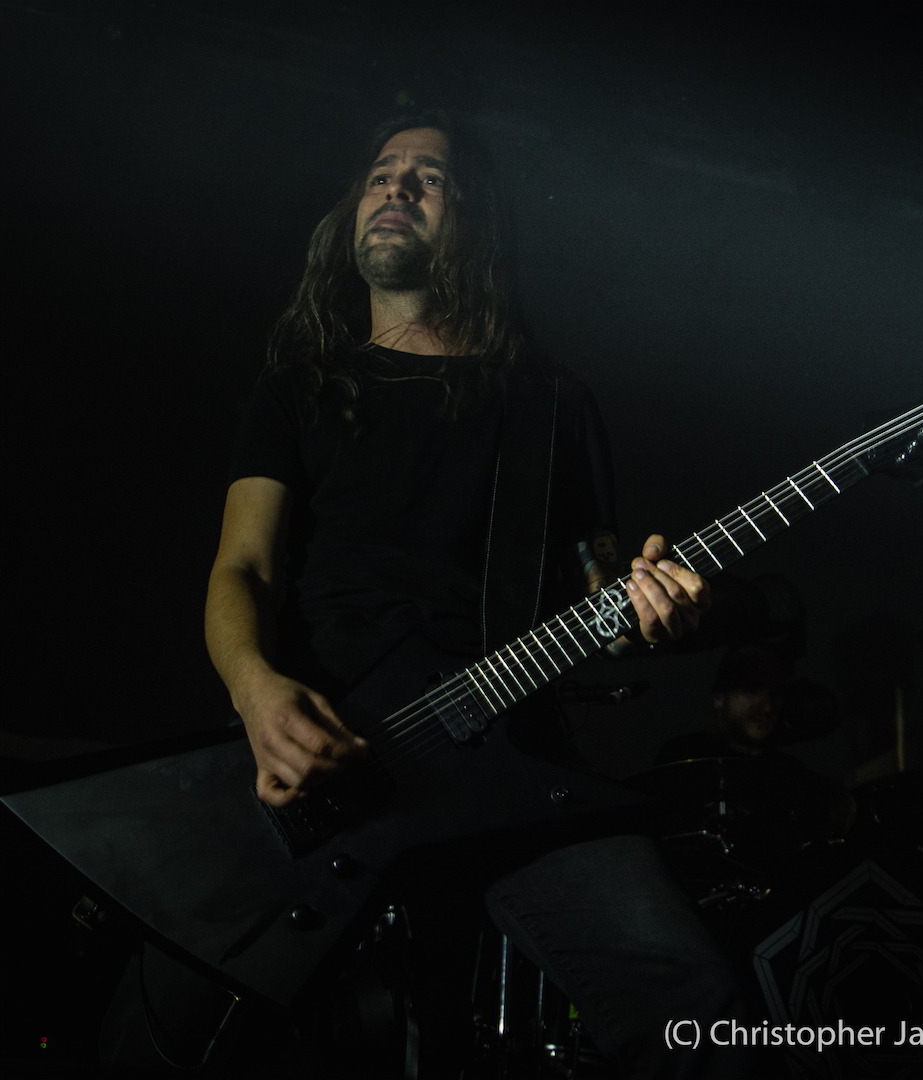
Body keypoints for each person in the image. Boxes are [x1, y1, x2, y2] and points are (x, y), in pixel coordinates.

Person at [204, 112, 744, 1078]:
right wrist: (256, 692)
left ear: (477, 220)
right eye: (382, 172)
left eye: (430, 177)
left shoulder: (553, 405)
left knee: (690, 1002)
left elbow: (602, 598)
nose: (397, 188)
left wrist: (653, 613)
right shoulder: (299, 389)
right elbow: (243, 569)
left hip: (508, 753)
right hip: (333, 756)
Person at [655, 644, 840, 764]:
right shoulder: (683, 756)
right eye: (752, 688)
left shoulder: (790, 773)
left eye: (776, 692)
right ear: (719, 696)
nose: (767, 706)